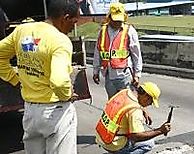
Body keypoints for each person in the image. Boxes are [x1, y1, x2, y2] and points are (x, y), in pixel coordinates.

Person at [0, 0, 80, 153]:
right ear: (66, 17)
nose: (72, 28)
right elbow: (59, 82)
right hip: (55, 111)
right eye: (74, 22)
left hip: (30, 111)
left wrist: (15, 80)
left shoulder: (22, 31)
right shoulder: (60, 40)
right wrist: (67, 95)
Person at [95, 82, 171, 153]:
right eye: (151, 102)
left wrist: (142, 109)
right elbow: (136, 136)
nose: (150, 104)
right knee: (149, 143)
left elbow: (127, 105)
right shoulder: (134, 110)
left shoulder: (124, 92)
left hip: (102, 136)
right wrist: (160, 130)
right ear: (146, 96)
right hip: (113, 144)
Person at [93, 2, 143, 99]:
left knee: (126, 103)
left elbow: (136, 54)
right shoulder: (103, 31)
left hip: (125, 75)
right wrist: (96, 71)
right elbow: (98, 52)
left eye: (120, 20)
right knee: (113, 103)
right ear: (109, 17)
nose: (117, 23)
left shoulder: (129, 31)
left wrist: (137, 74)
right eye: (115, 20)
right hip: (109, 75)